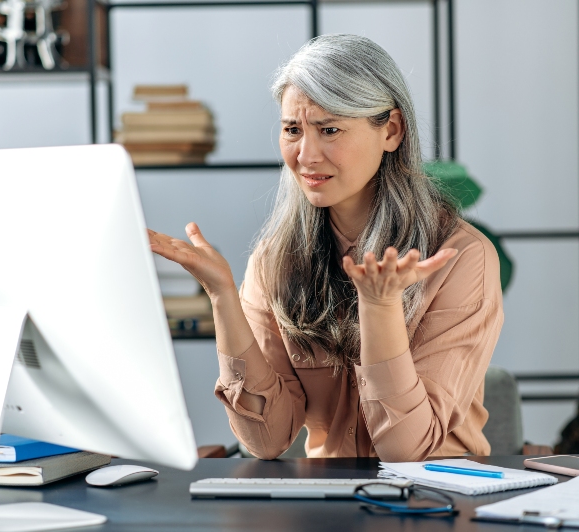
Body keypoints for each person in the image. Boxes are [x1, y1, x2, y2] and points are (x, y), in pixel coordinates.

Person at [148, 34, 503, 461]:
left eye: (329, 129)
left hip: (438, 492)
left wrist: (381, 307)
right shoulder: (274, 261)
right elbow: (266, 439)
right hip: (326, 495)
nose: (306, 155)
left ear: (391, 131)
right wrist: (222, 295)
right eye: (292, 130)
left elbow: (406, 449)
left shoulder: (462, 257)